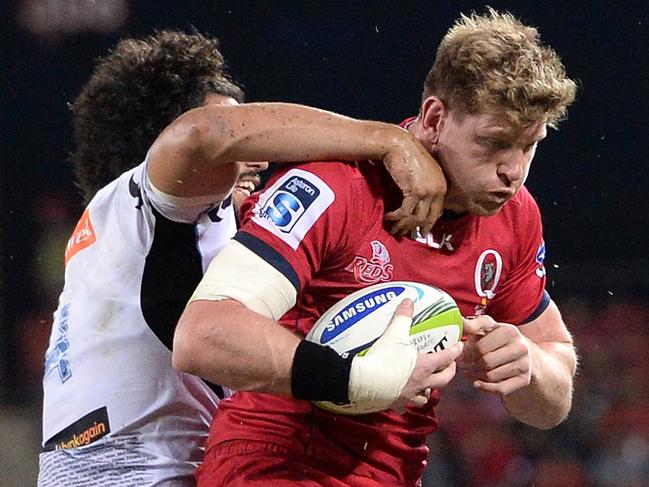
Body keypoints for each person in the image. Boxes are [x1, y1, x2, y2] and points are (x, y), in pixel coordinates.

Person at [173, 8, 579, 487]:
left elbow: (554, 394)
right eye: (494, 143)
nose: (513, 171)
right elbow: (202, 335)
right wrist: (357, 379)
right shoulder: (335, 187)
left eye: (529, 146)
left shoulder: (515, 217)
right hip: (275, 467)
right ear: (434, 118)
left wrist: (530, 365)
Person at [38, 30, 448, 486]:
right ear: (161, 140)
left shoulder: (131, 233)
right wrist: (388, 140)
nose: (260, 159)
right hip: (131, 473)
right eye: (245, 141)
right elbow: (203, 133)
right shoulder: (143, 201)